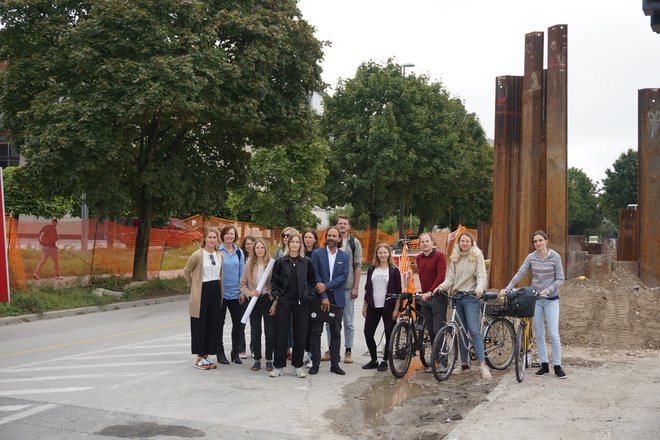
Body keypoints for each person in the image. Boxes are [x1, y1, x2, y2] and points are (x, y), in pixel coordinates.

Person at [500, 230, 566, 379]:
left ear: (546, 241)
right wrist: (508, 288)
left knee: (554, 334)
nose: (538, 243)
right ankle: (544, 365)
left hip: (551, 300)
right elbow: (520, 273)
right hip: (535, 299)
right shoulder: (531, 257)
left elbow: (560, 279)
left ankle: (557, 366)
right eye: (535, 241)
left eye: (540, 240)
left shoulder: (555, 257)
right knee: (539, 334)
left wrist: (548, 290)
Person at [435, 232, 491, 379]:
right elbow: (450, 278)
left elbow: (481, 276)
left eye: (467, 241)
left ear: (471, 243)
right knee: (460, 331)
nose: (465, 243)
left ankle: (483, 365)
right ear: (458, 243)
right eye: (462, 241)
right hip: (456, 297)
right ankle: (464, 364)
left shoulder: (476, 256)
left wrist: (480, 288)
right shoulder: (455, 258)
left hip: (471, 297)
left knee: (473, 330)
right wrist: (440, 287)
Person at [269, 231, 315, 378]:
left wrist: (309, 295)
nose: (295, 244)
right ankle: (278, 366)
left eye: (297, 242)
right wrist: (277, 295)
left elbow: (312, 281)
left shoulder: (306, 262)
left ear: (300, 245)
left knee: (300, 334)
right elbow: (274, 281)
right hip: (284, 302)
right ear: (288, 244)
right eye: (292, 242)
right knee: (281, 334)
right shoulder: (281, 262)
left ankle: (298, 366)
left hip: (301, 303)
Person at [310, 226, 350, 375]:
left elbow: (343, 277)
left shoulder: (344, 257)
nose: (331, 238)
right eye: (329, 236)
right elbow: (316, 274)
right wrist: (324, 296)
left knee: (336, 332)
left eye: (334, 236)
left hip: (337, 299)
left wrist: (325, 287)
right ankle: (315, 363)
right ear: (326, 237)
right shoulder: (317, 254)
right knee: (316, 332)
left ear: (339, 239)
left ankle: (335, 364)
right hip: (320, 298)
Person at [183, 227, 223, 370]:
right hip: (202, 290)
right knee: (200, 323)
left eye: (215, 237)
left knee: (212, 324)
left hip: (215, 290)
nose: (212, 240)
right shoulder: (197, 255)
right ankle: (199, 357)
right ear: (204, 239)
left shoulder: (220, 255)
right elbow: (186, 271)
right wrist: (193, 287)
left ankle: (206, 356)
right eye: (210, 237)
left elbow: (220, 274)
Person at [325, 215, 362, 364]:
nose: (342, 225)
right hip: (331, 288)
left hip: (347, 288)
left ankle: (348, 350)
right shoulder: (330, 241)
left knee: (348, 321)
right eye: (339, 223)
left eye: (344, 223)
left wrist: (356, 287)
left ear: (348, 226)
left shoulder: (354, 243)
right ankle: (330, 349)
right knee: (329, 321)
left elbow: (358, 266)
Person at [362, 243, 401, 372]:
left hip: (388, 306)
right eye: (380, 253)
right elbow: (367, 287)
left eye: (385, 252)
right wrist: (365, 305)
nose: (382, 255)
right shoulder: (372, 269)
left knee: (389, 332)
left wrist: (396, 309)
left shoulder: (394, 270)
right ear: (377, 254)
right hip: (373, 305)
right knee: (368, 333)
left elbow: (398, 292)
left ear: (389, 254)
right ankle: (374, 360)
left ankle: (385, 360)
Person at [239, 238, 275, 372]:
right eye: (257, 248)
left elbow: (276, 285)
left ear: (266, 249)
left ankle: (269, 359)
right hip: (254, 301)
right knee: (256, 332)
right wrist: (249, 293)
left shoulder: (272, 264)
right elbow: (242, 284)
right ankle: (257, 360)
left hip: (268, 300)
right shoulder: (249, 265)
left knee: (270, 332)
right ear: (254, 250)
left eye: (262, 247)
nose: (260, 250)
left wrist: (274, 300)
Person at [416, 232, 447, 372]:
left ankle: (444, 362)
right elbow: (422, 277)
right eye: (422, 242)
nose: (425, 243)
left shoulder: (440, 257)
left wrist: (431, 291)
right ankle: (435, 361)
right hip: (425, 298)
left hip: (438, 297)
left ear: (432, 243)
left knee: (438, 329)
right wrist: (422, 292)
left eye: (427, 241)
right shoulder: (418, 258)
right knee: (431, 331)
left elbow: (441, 276)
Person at [217, 225, 245, 365]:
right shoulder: (217, 251)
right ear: (223, 236)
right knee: (219, 324)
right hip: (221, 294)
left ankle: (235, 352)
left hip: (235, 293)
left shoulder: (239, 252)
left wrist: (242, 291)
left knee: (238, 324)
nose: (229, 236)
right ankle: (219, 352)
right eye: (227, 234)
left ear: (235, 236)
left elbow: (242, 272)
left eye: (232, 234)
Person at [302, 229, 320, 366]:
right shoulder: (300, 254)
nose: (308, 239)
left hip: (314, 294)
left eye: (310, 237)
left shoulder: (318, 254)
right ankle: (305, 352)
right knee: (303, 326)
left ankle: (312, 354)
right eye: (306, 237)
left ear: (315, 240)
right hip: (300, 294)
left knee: (313, 326)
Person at [238, 236, 256, 359]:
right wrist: (242, 292)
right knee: (242, 323)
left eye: (251, 244)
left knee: (255, 325)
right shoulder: (241, 258)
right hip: (244, 294)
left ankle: (254, 348)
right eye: (247, 244)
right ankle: (241, 348)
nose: (249, 246)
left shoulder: (259, 258)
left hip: (255, 295)